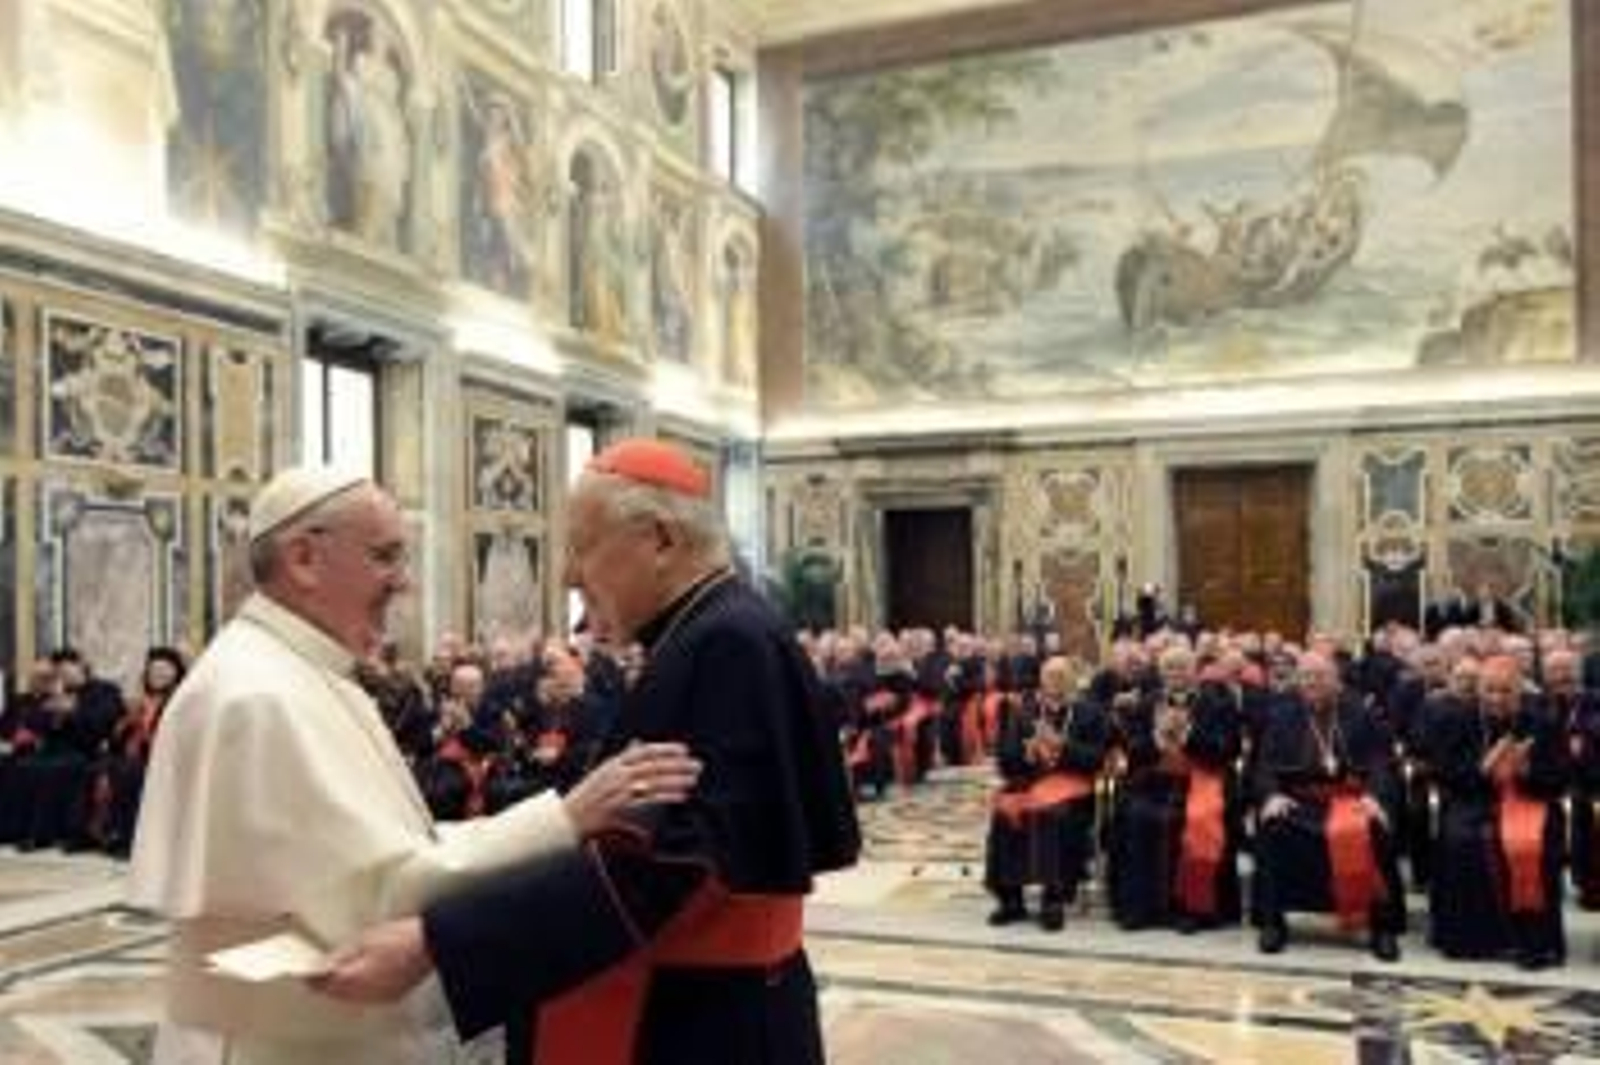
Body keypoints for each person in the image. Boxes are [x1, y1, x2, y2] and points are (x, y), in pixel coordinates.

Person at [312, 438, 861, 1065]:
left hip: (700, 1022)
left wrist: (435, 942)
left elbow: (654, 871)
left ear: (659, 540)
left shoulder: (725, 642)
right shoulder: (718, 630)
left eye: (582, 546)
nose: (570, 575)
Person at [128, 466, 700, 1065]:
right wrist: (566, 820)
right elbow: (370, 902)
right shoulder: (256, 696)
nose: (403, 582)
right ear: (303, 559)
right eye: (385, 556)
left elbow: (402, 848)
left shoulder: (300, 670)